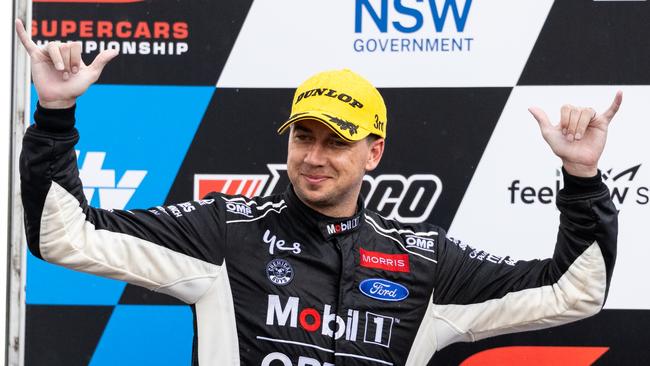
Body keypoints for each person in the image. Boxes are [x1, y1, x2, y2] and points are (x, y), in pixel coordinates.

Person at [15, 19, 619, 366]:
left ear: (373, 154)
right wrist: (56, 112)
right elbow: (66, 237)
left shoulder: (426, 264)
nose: (313, 156)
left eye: (336, 142)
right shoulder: (227, 233)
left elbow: (573, 294)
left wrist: (583, 180)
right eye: (304, 137)